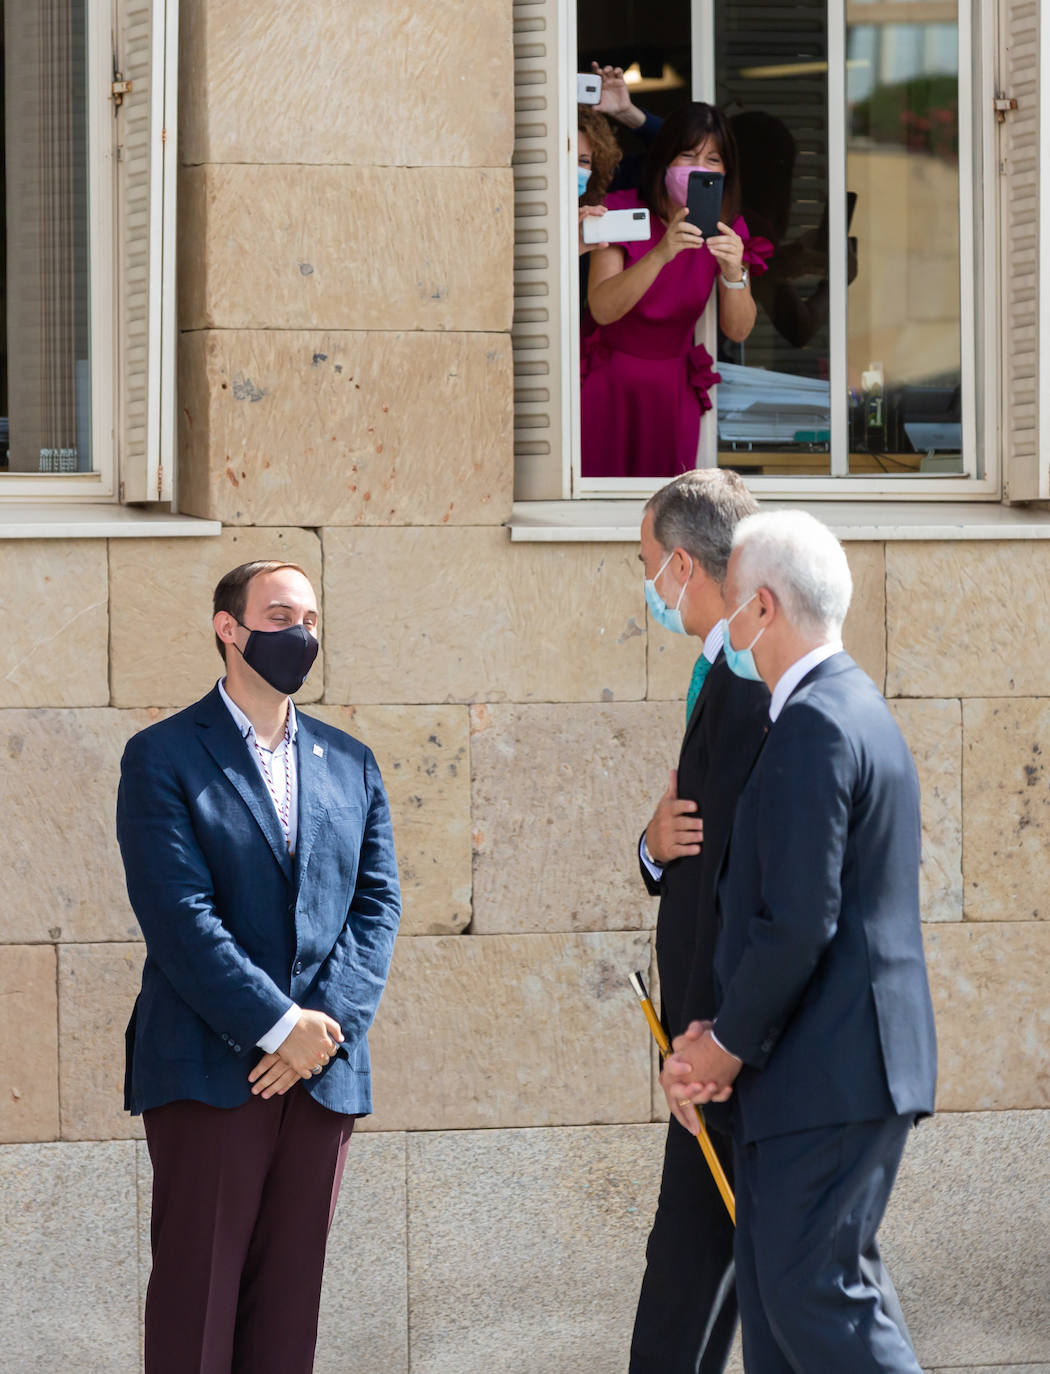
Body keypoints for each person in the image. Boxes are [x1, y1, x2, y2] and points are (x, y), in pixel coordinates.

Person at [663, 511, 937, 1373]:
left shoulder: (816, 723)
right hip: (822, 1075)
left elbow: (798, 920)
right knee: (783, 1325)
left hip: (828, 1074)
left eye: (734, 603)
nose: (725, 628)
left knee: (818, 1303)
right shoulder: (847, 707)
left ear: (766, 609)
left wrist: (724, 1045)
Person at [116, 559, 401, 1374]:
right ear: (228, 628)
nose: (299, 637)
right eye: (279, 617)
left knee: (287, 1315)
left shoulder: (351, 762)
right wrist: (278, 1025)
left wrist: (321, 1034)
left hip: (320, 1078)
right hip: (209, 1070)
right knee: (195, 1308)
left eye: (310, 620)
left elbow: (376, 907)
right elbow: (178, 916)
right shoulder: (162, 756)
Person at [632, 470, 769, 1374]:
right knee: (692, 1282)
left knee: (701, 1283)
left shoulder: (757, 689)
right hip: (701, 1044)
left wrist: (710, 1040)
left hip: (723, 1048)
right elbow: (690, 850)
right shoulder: (713, 672)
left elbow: (756, 888)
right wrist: (650, 849)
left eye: (649, 566)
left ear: (684, 562)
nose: (647, 587)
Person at [581, 103, 772, 479]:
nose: (699, 168)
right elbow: (602, 309)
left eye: (713, 159)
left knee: (667, 510)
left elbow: (739, 330)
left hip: (672, 390)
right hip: (609, 381)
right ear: (665, 159)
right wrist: (662, 252)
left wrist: (734, 270)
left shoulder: (729, 228)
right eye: (688, 155)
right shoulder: (621, 211)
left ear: (726, 172)